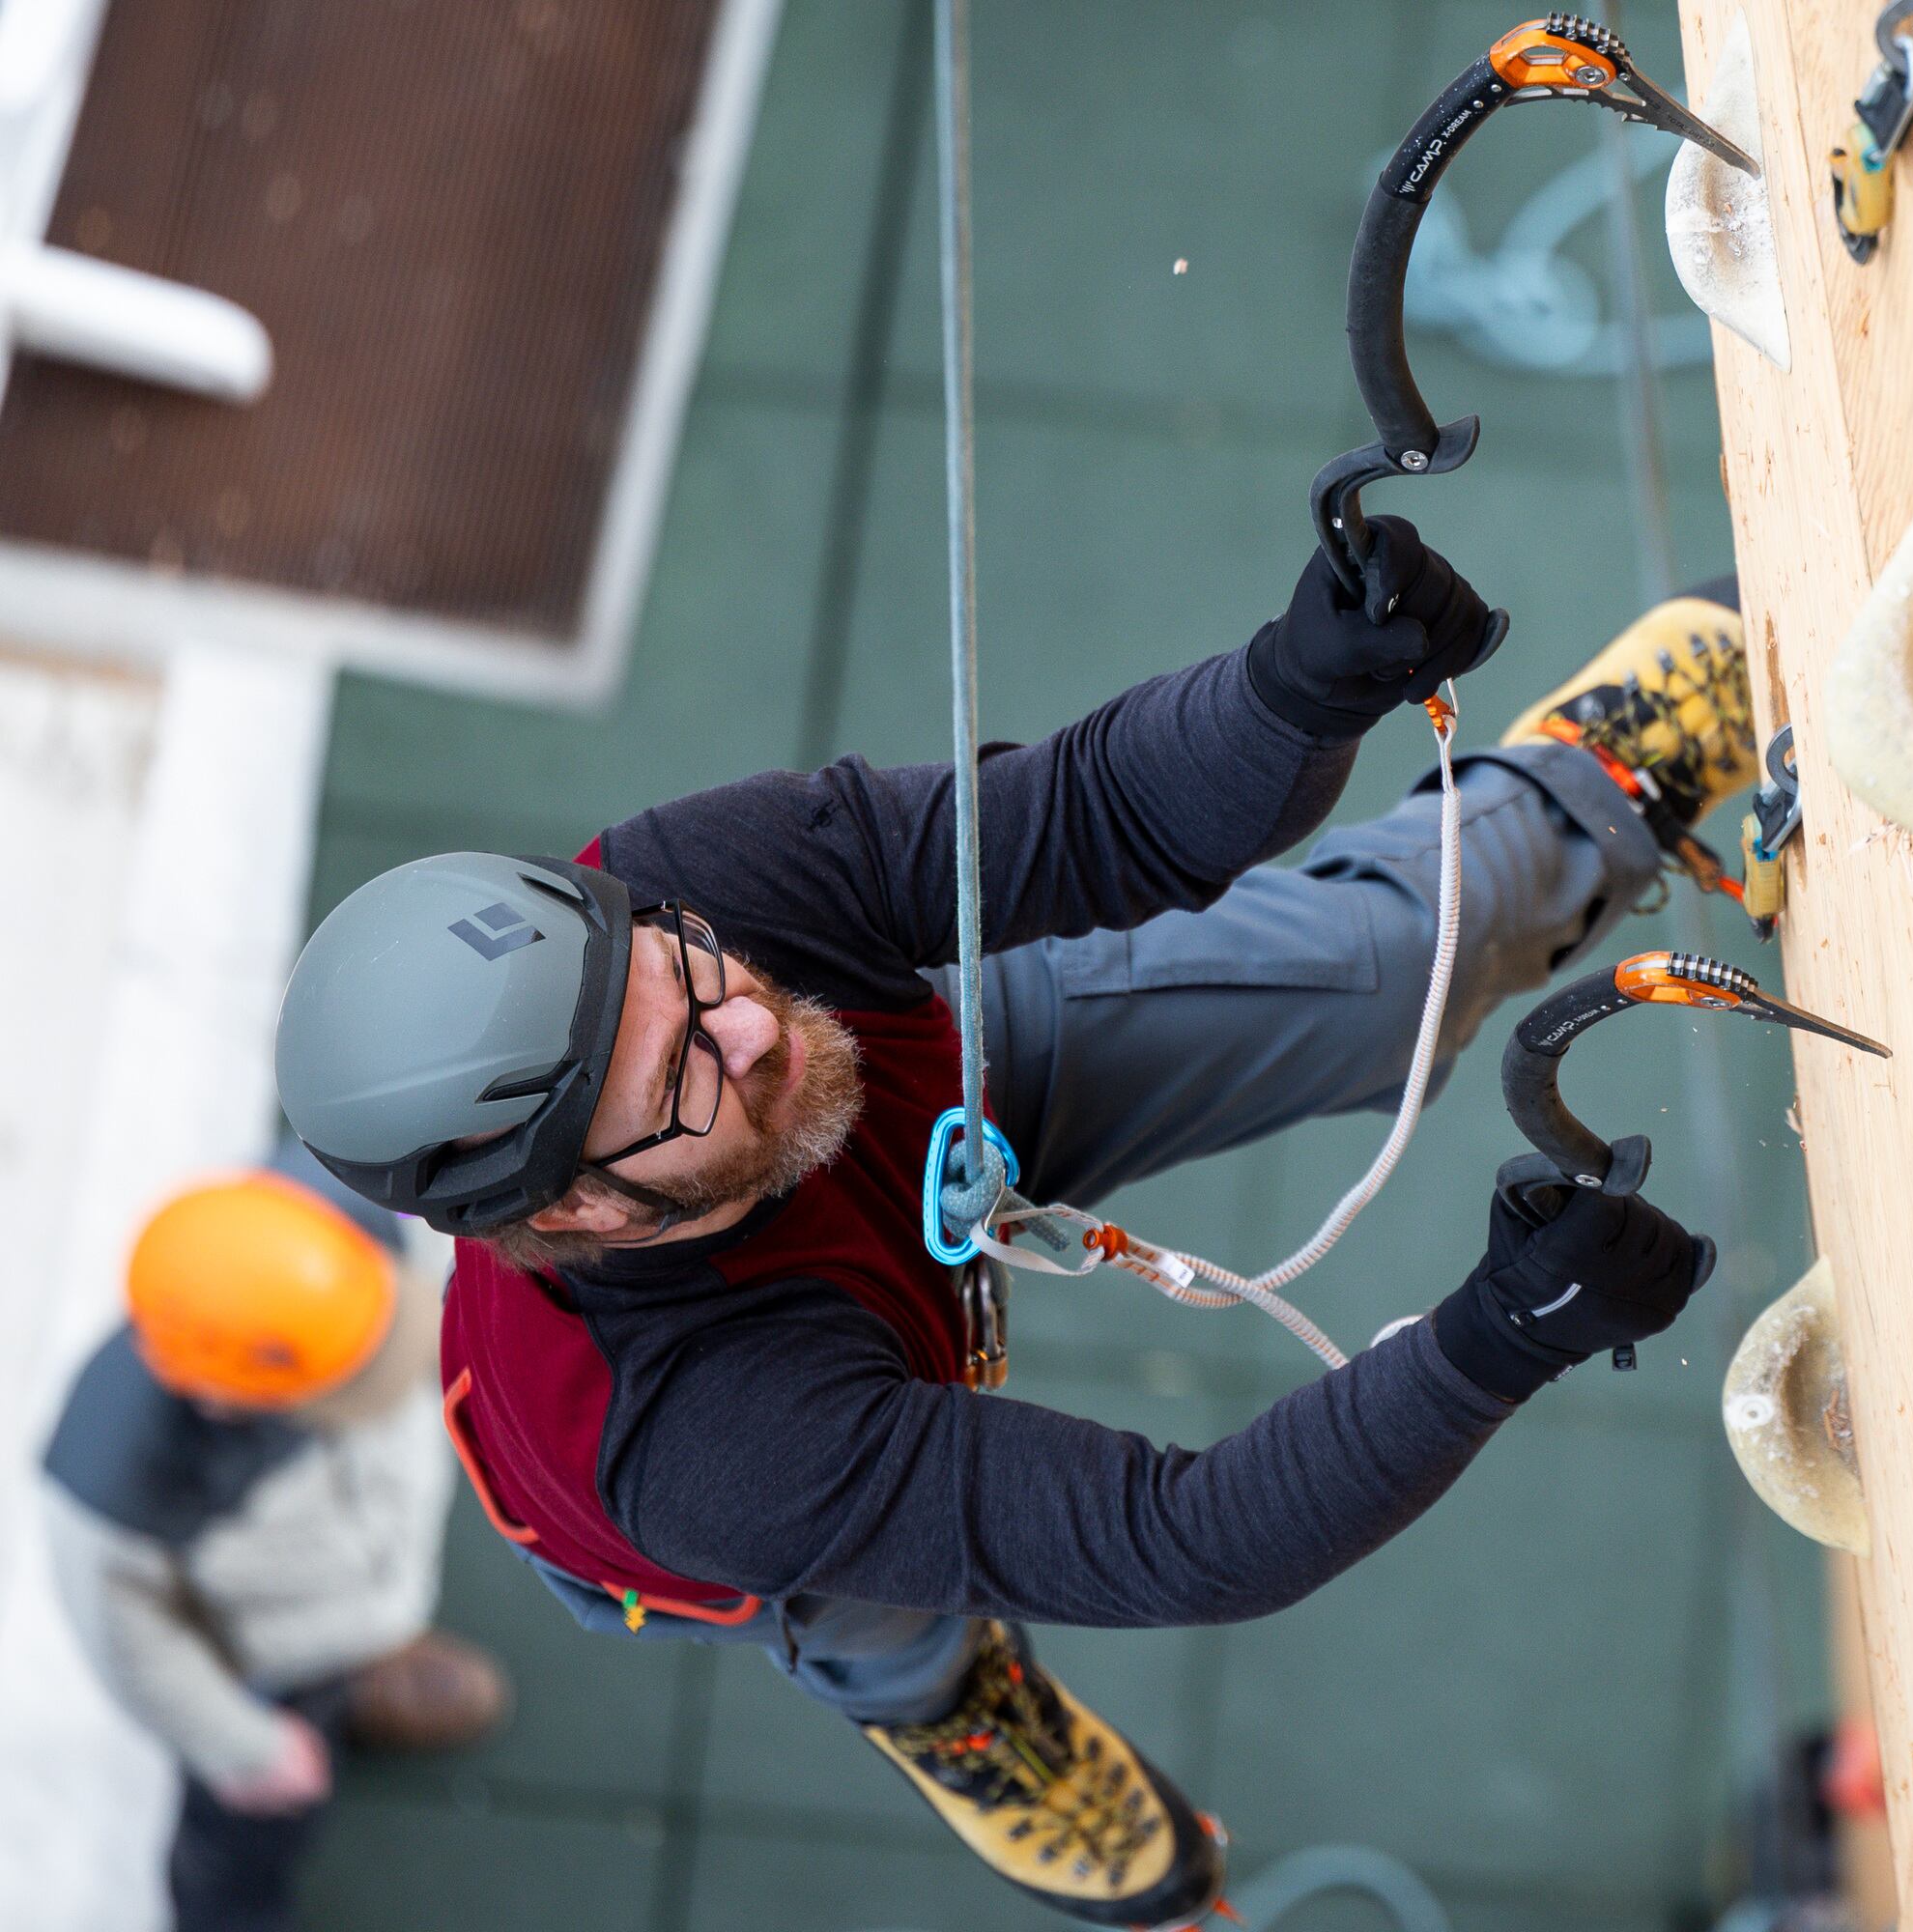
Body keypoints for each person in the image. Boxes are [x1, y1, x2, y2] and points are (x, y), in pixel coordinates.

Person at [271, 523, 1756, 1929]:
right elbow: (1185, 1543)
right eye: (681, 1072)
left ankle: (1589, 789)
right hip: (744, 1478)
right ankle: (963, 1725)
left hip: (908, 1117)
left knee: (1376, 971)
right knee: (898, 1629)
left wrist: (1290, 689)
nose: (752, 1024)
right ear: (581, 1204)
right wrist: (1493, 1344)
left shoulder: (703, 899)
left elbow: (1095, 818)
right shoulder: (714, 1454)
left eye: (685, 967)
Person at [42, 1151, 512, 1932]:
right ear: (230, 1402)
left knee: (371, 1613)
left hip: (364, 1568)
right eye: (351, 1377)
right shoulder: (121, 1482)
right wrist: (244, 1746)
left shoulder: (345, 1223)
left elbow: (410, 1219)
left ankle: (374, 1661)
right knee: (251, 1828)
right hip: (266, 1665)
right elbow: (130, 1648)